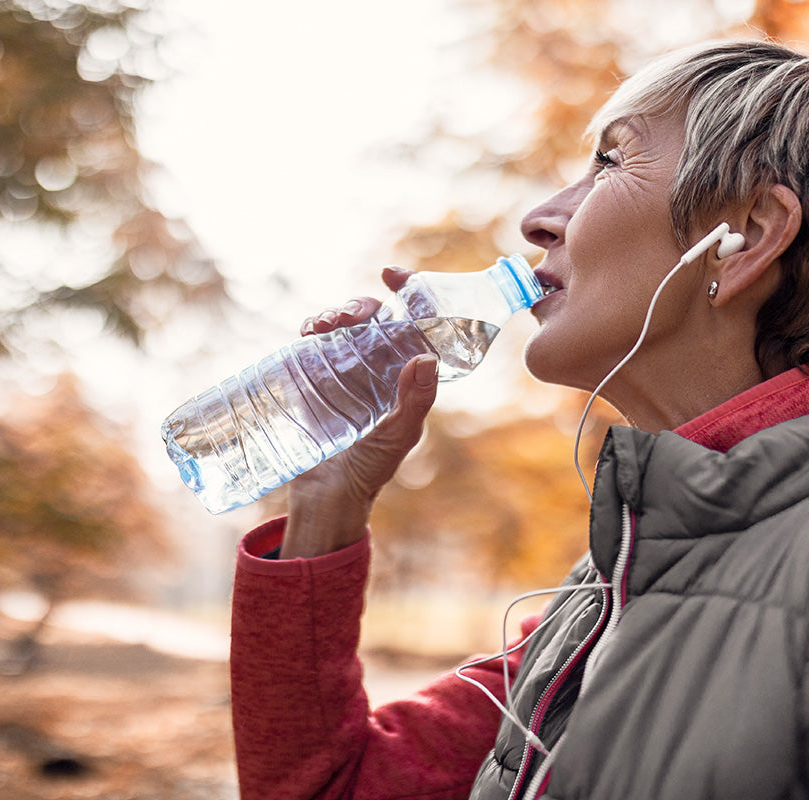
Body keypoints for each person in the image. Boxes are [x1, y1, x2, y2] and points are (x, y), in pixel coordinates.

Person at [228, 38, 809, 800]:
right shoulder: (613, 582)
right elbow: (331, 789)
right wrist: (324, 506)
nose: (539, 219)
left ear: (747, 237)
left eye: (610, 162)